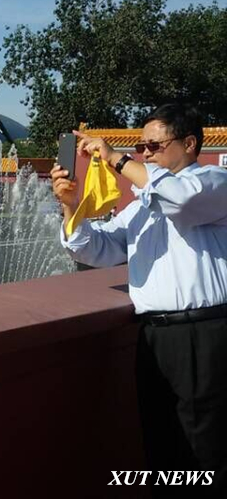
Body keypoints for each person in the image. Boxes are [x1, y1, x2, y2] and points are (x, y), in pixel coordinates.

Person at [52, 104, 227, 496]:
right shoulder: (141, 208)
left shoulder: (213, 181)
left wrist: (116, 157)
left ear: (189, 144)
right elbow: (95, 249)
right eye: (141, 147)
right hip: (154, 335)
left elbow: (179, 200)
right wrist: (70, 205)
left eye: (154, 146)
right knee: (161, 439)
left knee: (204, 446)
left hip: (203, 330)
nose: (145, 154)